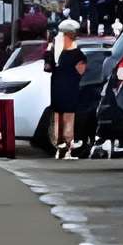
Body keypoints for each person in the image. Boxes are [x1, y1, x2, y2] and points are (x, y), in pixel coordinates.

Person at [47, 22, 92, 158]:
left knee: (59, 118)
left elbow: (47, 68)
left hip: (57, 90)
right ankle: (67, 147)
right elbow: (81, 72)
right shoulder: (77, 55)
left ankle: (60, 147)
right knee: (68, 118)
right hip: (70, 90)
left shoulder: (55, 55)